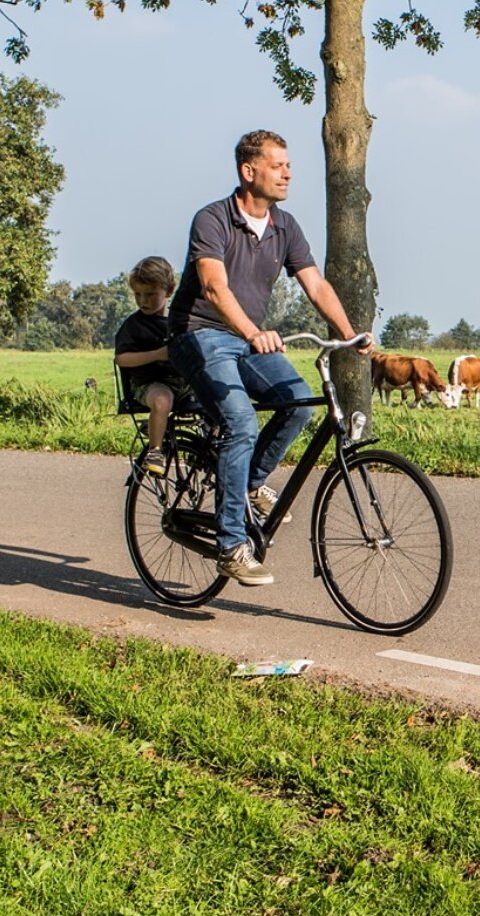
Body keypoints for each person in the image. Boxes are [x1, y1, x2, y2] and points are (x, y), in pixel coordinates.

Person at [168, 129, 368, 587]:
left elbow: (315, 284)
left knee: (297, 403)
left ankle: (250, 481)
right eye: (278, 165)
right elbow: (215, 288)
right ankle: (231, 546)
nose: (288, 172)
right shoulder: (212, 220)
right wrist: (253, 332)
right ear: (248, 170)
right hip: (198, 335)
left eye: (289, 165)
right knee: (241, 422)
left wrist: (347, 332)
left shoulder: (285, 226)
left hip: (245, 340)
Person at [113, 255, 187, 475]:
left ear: (169, 291)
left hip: (182, 382)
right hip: (148, 384)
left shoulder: (180, 321)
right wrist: (156, 355)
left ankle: (214, 442)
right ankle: (155, 450)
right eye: (138, 295)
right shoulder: (134, 325)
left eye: (150, 294)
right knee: (162, 400)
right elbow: (122, 358)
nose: (143, 301)